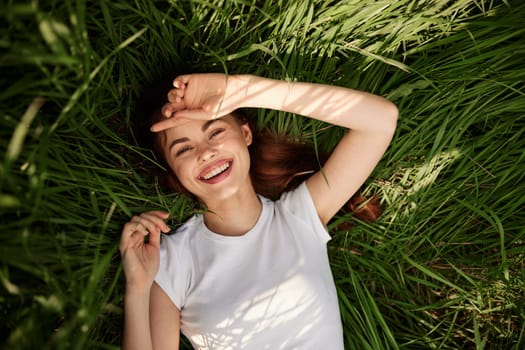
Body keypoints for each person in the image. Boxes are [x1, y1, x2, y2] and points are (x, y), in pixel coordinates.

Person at [119, 73, 398, 349]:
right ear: (174, 176)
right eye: (183, 150)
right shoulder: (172, 261)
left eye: (215, 132)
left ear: (245, 133)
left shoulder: (298, 218)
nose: (205, 152)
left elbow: (380, 120)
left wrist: (243, 89)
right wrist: (137, 289)